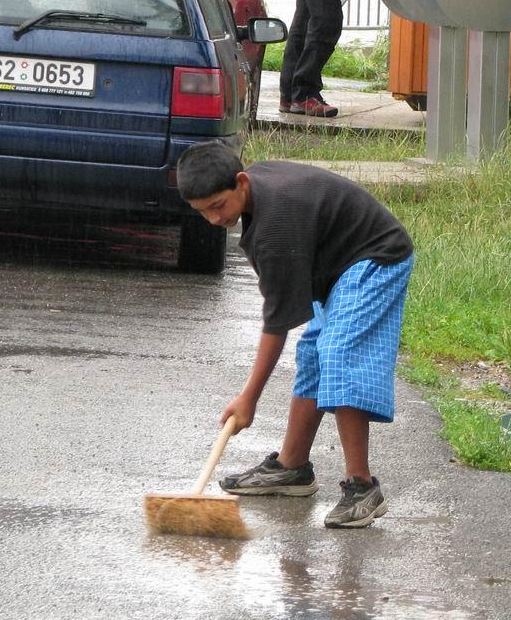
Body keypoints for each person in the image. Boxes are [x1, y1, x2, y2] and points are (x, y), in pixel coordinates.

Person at [176, 140, 414, 528]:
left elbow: (276, 325)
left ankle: (363, 487)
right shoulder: (257, 195)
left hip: (376, 256)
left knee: (338, 352)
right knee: (314, 353)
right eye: (202, 213)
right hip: (337, 265)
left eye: (218, 206)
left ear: (241, 182)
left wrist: (248, 398)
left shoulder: (276, 225)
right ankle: (293, 466)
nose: (214, 220)